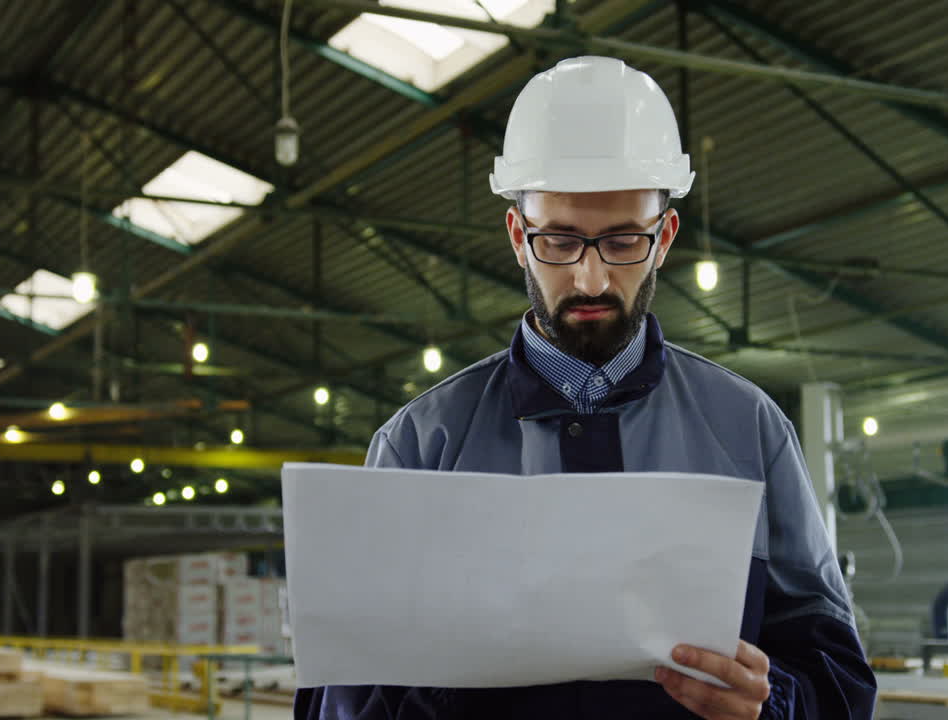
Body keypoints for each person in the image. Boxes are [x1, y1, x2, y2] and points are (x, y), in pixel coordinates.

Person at [294, 55, 876, 720]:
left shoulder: (748, 429)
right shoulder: (421, 443)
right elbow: (338, 696)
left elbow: (838, 681)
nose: (592, 280)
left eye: (623, 241)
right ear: (518, 235)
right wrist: (446, 681)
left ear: (665, 238)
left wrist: (770, 709)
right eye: (560, 242)